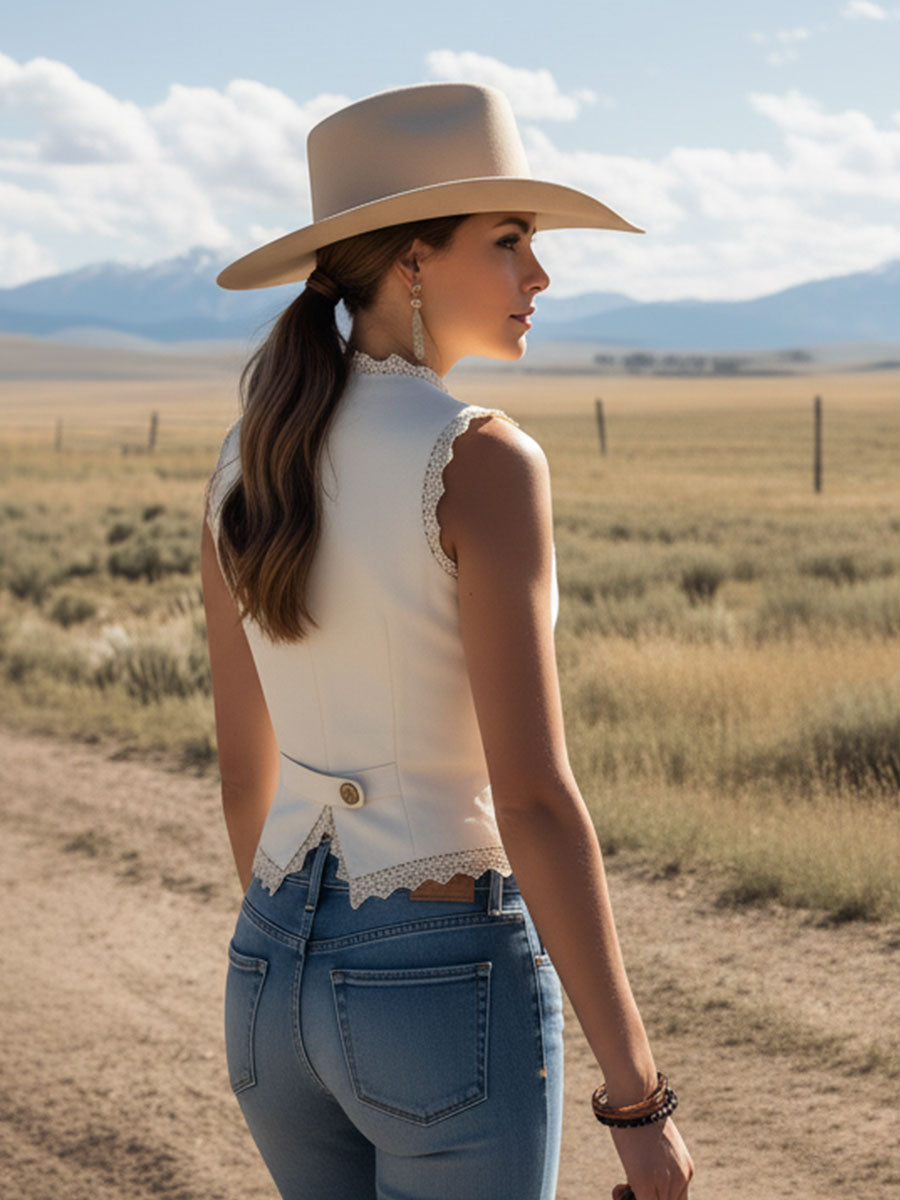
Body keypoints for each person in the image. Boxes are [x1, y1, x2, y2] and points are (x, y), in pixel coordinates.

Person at [202, 81, 694, 1200]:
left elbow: (244, 773)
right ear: (412, 259)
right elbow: (532, 798)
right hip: (436, 986)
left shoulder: (244, 454)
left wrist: (305, 959)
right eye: (510, 239)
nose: (540, 274)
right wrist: (638, 1101)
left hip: (267, 973)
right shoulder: (481, 459)